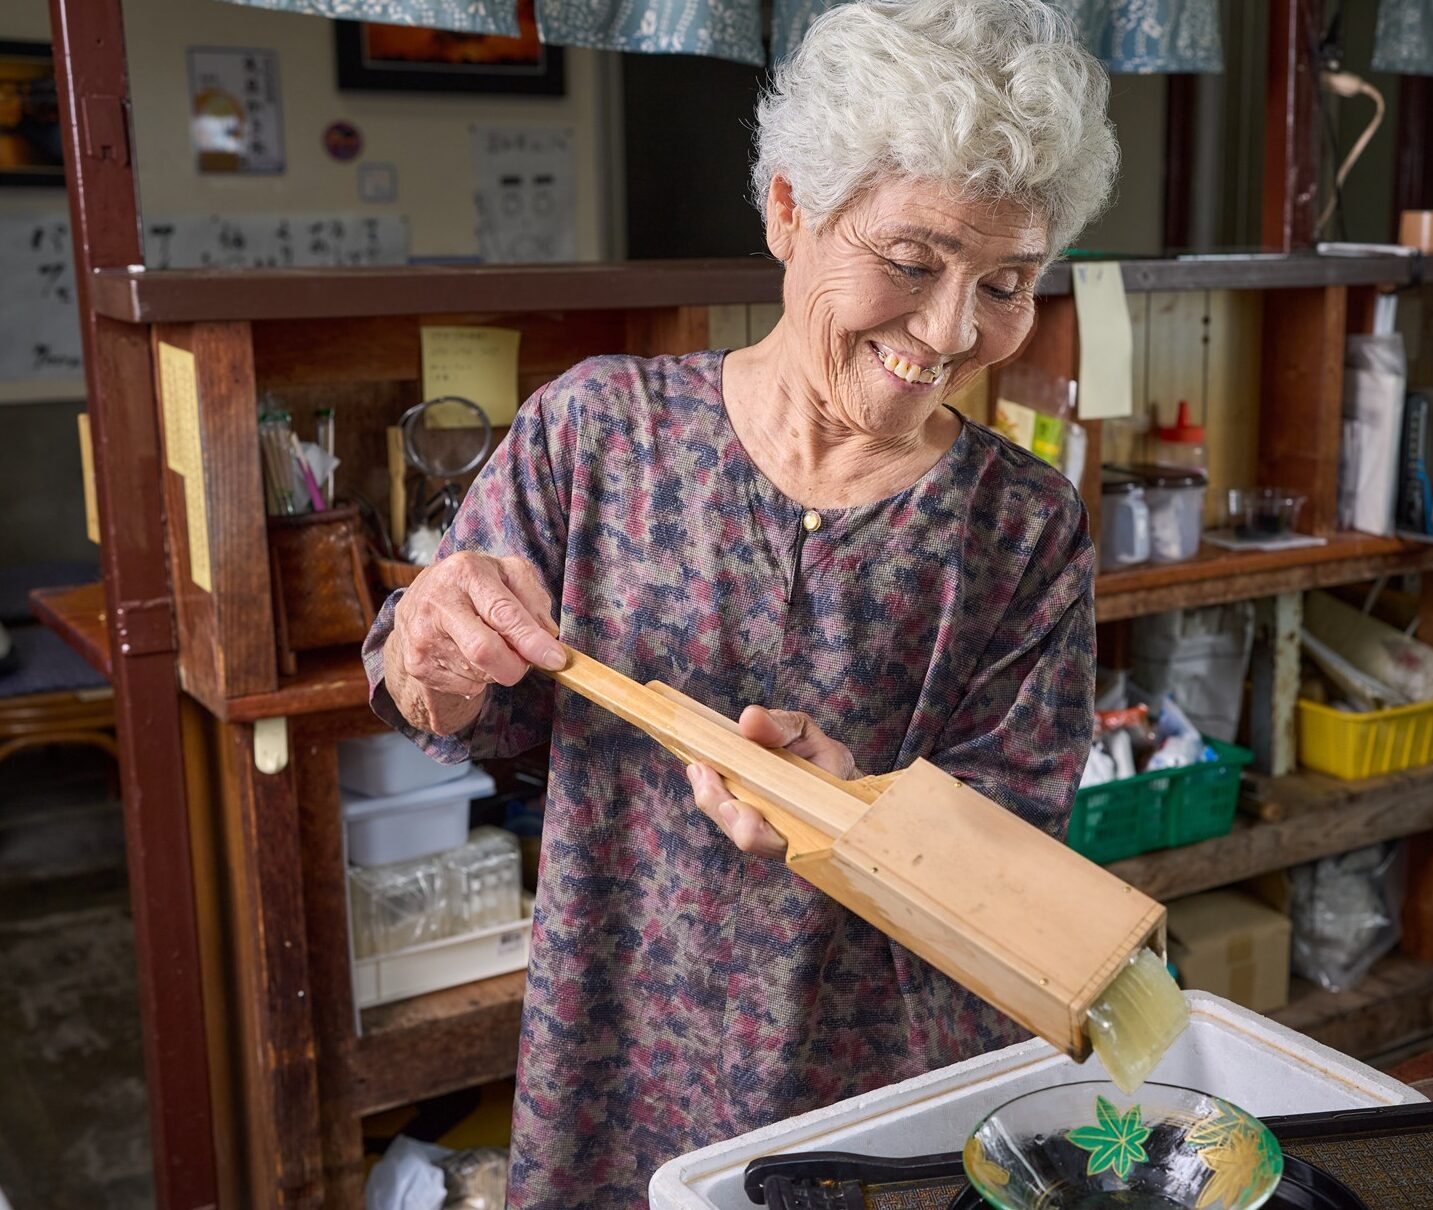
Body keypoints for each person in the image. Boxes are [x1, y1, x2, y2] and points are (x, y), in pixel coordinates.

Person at [362, 0, 1118, 1202]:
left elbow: (1019, 841)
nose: (950, 329)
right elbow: (449, 702)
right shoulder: (595, 433)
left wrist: (861, 809)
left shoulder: (1021, 526)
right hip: (617, 1053)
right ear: (787, 212)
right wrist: (434, 649)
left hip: (884, 1076)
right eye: (913, 263)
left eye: (1007, 282)